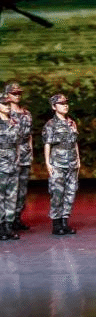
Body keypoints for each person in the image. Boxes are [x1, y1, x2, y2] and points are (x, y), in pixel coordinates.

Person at [43, 94, 80, 235]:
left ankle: (65, 222)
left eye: (66, 103)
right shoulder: (50, 124)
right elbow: (47, 144)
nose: (65, 105)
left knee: (70, 192)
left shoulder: (71, 123)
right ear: (54, 107)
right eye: (61, 103)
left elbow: (74, 142)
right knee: (57, 192)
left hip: (72, 162)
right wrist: (48, 163)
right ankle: (56, 223)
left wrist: (78, 159)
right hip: (57, 162)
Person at [2, 82, 32, 232]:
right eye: (14, 93)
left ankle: (16, 218)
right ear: (7, 95)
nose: (17, 96)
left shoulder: (26, 114)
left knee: (21, 189)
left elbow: (29, 135)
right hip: (8, 156)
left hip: (24, 155)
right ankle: (7, 221)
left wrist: (31, 151)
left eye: (19, 93)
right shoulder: (5, 114)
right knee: (7, 190)